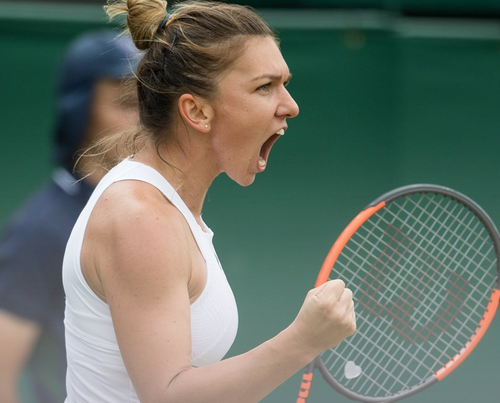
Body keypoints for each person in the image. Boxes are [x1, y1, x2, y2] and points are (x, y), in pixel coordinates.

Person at [63, 1, 357, 402]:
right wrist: (302, 341)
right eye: (264, 87)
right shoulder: (142, 218)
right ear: (197, 111)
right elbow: (168, 395)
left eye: (285, 83)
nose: (290, 106)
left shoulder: (165, 207)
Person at [0, 30, 141, 403]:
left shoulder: (155, 214)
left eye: (152, 103)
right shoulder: (39, 231)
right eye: (127, 102)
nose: (146, 121)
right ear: (78, 111)